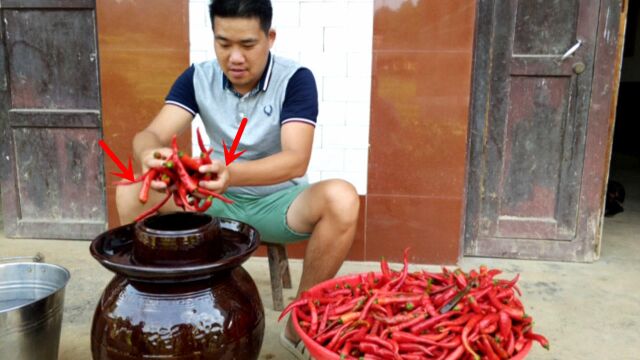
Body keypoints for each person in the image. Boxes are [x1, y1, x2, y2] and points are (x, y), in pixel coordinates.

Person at [115, 0, 359, 357]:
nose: (235, 57)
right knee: (130, 191)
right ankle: (154, 307)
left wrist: (232, 174)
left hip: (275, 203)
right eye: (223, 43)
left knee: (342, 198)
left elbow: (295, 160)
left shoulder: (295, 79)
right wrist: (149, 154)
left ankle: (298, 320)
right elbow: (148, 134)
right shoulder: (198, 77)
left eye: (247, 44)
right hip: (208, 199)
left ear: (269, 37)